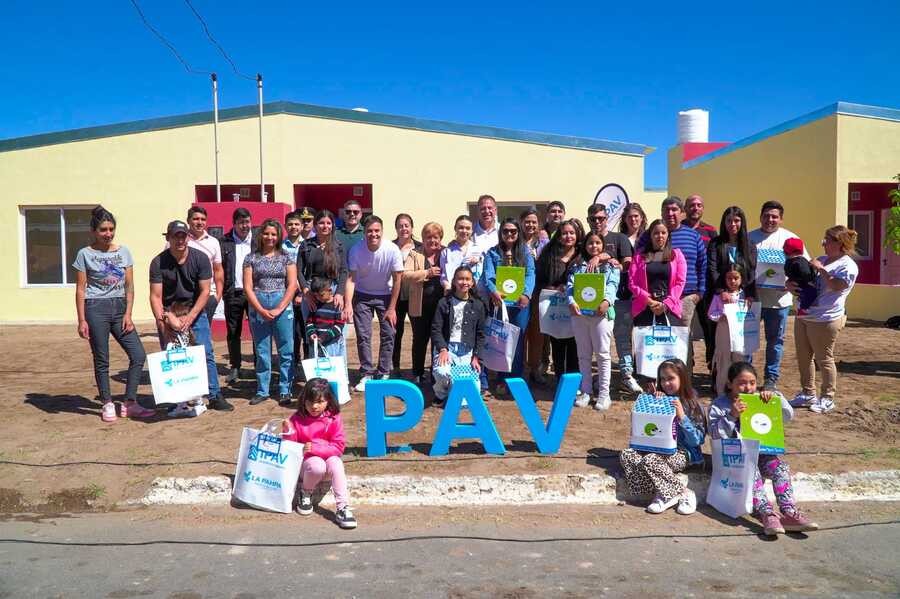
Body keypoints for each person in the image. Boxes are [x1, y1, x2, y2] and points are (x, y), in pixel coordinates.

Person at [708, 362, 819, 536]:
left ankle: (789, 512)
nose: (748, 387)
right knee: (752, 471)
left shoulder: (760, 399)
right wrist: (732, 415)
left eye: (752, 383)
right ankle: (766, 513)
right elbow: (714, 434)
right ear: (730, 384)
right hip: (734, 458)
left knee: (780, 468)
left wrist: (775, 399)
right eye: (742, 383)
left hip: (762, 454)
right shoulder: (719, 405)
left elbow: (787, 416)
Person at [74, 206, 151, 422]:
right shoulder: (84, 254)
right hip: (95, 308)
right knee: (102, 358)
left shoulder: (123, 252)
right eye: (103, 230)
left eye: (111, 229)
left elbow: (129, 286)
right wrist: (81, 320)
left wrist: (128, 313)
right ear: (94, 231)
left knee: (138, 354)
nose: (108, 234)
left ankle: (130, 402)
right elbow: (81, 289)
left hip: (119, 309)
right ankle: (107, 402)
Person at [150, 220, 232, 411]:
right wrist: (163, 323)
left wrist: (191, 316)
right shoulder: (158, 262)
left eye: (182, 235)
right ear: (168, 238)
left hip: (195, 310)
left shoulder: (201, 258)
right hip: (169, 312)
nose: (179, 240)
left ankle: (214, 394)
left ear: (188, 237)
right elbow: (155, 296)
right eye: (175, 236)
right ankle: (175, 399)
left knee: (205, 353)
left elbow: (205, 291)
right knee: (171, 355)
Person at [619, 359, 705, 515]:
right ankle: (667, 492)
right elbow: (648, 429)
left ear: (683, 378)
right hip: (656, 450)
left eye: (671, 378)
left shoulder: (691, 403)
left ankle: (683, 493)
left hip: (683, 453)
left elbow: (698, 440)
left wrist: (682, 417)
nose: (666, 383)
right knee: (627, 455)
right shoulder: (660, 398)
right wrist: (652, 401)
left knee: (650, 460)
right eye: (663, 379)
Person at [790, 226, 859, 414]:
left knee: (824, 359)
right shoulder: (821, 259)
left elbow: (837, 286)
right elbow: (807, 283)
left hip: (826, 318)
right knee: (804, 357)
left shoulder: (848, 265)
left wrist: (821, 271)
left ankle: (827, 397)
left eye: (827, 240)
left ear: (840, 243)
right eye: (824, 239)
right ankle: (807, 393)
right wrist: (792, 285)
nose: (824, 243)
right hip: (805, 314)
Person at [637, 197, 707, 376]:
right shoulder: (649, 235)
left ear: (681, 212)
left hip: (686, 296)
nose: (670, 213)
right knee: (660, 339)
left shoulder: (693, 236)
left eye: (674, 209)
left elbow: (703, 264)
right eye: (666, 210)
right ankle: (660, 377)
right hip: (656, 298)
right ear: (661, 213)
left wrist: (700, 292)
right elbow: (639, 262)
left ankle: (684, 378)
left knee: (682, 338)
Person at [748, 200, 809, 390]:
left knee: (775, 341)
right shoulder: (749, 238)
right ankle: (746, 378)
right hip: (753, 301)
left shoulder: (790, 239)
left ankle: (770, 379)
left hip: (779, 302)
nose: (770, 219)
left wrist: (793, 284)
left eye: (774, 216)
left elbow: (804, 269)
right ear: (760, 217)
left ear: (781, 219)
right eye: (766, 215)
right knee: (747, 341)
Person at [281, 378, 356, 529]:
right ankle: (306, 493)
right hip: (307, 467)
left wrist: (315, 448)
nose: (314, 406)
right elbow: (290, 447)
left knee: (336, 462)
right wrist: (288, 432)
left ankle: (343, 507)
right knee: (317, 465)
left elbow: (339, 446)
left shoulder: (334, 418)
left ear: (328, 400)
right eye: (310, 402)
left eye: (320, 401)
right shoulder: (297, 419)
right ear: (303, 401)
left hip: (328, 463)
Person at [343, 215, 404, 391]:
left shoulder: (392, 250)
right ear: (364, 232)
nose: (373, 234)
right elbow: (352, 279)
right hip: (362, 296)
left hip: (386, 296)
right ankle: (366, 373)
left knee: (388, 334)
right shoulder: (356, 250)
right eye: (370, 231)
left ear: (382, 232)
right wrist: (348, 304)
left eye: (377, 231)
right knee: (363, 335)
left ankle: (384, 372)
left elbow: (398, 279)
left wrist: (392, 308)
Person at [243, 219, 299, 406]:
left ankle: (285, 389)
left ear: (278, 236)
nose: (269, 237)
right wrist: (260, 309)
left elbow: (291, 285)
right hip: (258, 302)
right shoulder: (251, 258)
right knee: (262, 350)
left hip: (281, 302)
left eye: (273, 234)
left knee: (286, 349)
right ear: (261, 235)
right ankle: (262, 390)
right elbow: (248, 287)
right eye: (266, 233)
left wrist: (279, 308)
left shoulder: (287, 258)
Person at [587, 203, 641, 395]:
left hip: (620, 298)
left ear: (607, 218)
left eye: (601, 218)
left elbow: (627, 264)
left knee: (622, 339)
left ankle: (626, 376)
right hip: (593, 302)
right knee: (598, 344)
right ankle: (601, 379)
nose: (597, 222)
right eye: (593, 219)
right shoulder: (587, 240)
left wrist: (607, 258)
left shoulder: (620, 238)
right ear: (588, 220)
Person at [566, 231, 620, 410]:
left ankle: (604, 394)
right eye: (590, 243)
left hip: (601, 316)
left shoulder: (610, 265)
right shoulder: (577, 265)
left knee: (603, 355)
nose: (594, 246)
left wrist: (606, 301)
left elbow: (613, 284)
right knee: (583, 355)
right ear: (585, 245)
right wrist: (571, 302)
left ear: (602, 246)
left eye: (597, 243)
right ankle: (586, 391)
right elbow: (571, 287)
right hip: (580, 315)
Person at [483, 218, 535, 395]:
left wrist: (526, 294)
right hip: (501, 304)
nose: (510, 234)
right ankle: (501, 379)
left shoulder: (526, 253)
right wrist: (493, 291)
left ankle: (515, 379)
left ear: (518, 232)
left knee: (518, 342)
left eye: (513, 231)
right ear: (501, 233)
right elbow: (488, 275)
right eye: (506, 231)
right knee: (502, 341)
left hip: (520, 305)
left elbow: (530, 274)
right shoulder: (492, 253)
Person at [706, 206, 758, 379]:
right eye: (729, 220)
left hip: (742, 298)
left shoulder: (749, 245)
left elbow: (751, 272)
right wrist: (721, 290)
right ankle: (719, 379)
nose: (732, 224)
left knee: (742, 342)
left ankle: (741, 379)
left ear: (742, 222)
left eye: (736, 220)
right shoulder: (716, 244)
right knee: (721, 343)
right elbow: (712, 269)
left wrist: (750, 294)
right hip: (721, 299)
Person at [430, 266, 486, 407]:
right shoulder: (444, 303)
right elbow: (436, 329)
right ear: (454, 281)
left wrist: (476, 357)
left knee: (466, 401)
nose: (464, 282)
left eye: (467, 279)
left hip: (467, 351)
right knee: (442, 372)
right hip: (447, 348)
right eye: (460, 279)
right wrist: (442, 349)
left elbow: (481, 334)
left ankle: (453, 390)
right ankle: (440, 394)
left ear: (472, 282)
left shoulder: (478, 305)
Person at [535, 219, 582, 382]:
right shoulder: (549, 254)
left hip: (577, 309)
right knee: (558, 346)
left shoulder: (583, 254)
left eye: (571, 233)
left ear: (577, 235)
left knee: (575, 346)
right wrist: (552, 287)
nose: (568, 236)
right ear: (559, 236)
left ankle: (573, 383)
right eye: (564, 233)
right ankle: (560, 382)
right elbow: (539, 279)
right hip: (555, 309)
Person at [298, 210, 348, 358]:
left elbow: (344, 271)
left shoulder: (338, 246)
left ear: (333, 225)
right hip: (311, 290)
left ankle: (338, 375)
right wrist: (306, 292)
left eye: (328, 223)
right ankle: (315, 376)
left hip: (332, 291)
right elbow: (299, 270)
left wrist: (339, 293)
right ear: (315, 224)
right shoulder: (306, 245)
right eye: (321, 223)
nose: (325, 226)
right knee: (312, 331)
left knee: (335, 334)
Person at [403, 222, 445, 385]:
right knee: (420, 339)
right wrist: (427, 273)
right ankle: (418, 373)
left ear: (440, 238)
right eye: (428, 237)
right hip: (419, 304)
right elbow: (406, 275)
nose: (432, 240)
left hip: (441, 306)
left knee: (439, 340)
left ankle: (437, 373)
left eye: (436, 237)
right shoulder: (414, 254)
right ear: (423, 238)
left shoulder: (446, 252)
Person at [629, 219, 688, 328]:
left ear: (668, 235)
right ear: (650, 235)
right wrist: (649, 301)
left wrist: (666, 304)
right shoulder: (639, 256)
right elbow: (632, 283)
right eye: (656, 233)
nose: (660, 236)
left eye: (663, 233)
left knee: (669, 344)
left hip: (669, 308)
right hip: (644, 307)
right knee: (645, 344)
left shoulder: (677, 255)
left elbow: (680, 282)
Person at [220, 208, 254, 385]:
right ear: (234, 223)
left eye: (247, 221)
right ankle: (235, 366)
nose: (245, 226)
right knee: (233, 332)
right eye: (241, 222)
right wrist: (224, 291)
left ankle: (259, 366)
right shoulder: (224, 242)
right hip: (233, 293)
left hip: (254, 294)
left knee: (258, 331)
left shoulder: (257, 241)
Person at [707, 265, 753, 395]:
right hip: (724, 332)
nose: (732, 281)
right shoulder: (719, 296)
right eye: (729, 278)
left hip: (740, 335)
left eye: (736, 278)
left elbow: (752, 315)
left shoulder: (746, 296)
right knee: (723, 363)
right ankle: (721, 393)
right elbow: (711, 313)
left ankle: (741, 392)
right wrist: (721, 316)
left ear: (741, 279)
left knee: (740, 361)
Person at [520, 208, 550, 384]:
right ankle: (521, 368)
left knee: (538, 333)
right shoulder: (516, 241)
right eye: (527, 221)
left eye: (533, 222)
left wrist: (536, 259)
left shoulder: (545, 243)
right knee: (521, 330)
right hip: (521, 292)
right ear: (522, 222)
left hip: (539, 292)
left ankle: (535, 369)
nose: (530, 225)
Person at [392, 213, 424, 373]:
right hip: (395, 297)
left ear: (412, 227)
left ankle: (417, 371)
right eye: (400, 226)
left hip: (414, 296)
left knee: (418, 334)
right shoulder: (390, 246)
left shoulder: (420, 247)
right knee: (395, 334)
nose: (403, 229)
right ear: (396, 228)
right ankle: (395, 368)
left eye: (406, 225)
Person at [184, 206, 224, 324]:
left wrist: (218, 295)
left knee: (204, 334)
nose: (200, 222)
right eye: (196, 219)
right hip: (185, 297)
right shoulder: (179, 241)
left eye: (203, 219)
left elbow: (218, 270)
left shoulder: (213, 242)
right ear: (188, 220)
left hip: (208, 296)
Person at [440, 215, 484, 291]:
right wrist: (447, 287)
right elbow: (443, 276)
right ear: (455, 229)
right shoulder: (446, 252)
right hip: (453, 293)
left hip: (474, 294)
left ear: (472, 230)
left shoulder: (478, 250)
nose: (464, 231)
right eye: (461, 228)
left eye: (468, 228)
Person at [783, 238, 818, 314]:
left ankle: (802, 306)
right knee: (813, 293)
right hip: (804, 283)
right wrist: (810, 281)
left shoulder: (788, 261)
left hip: (795, 284)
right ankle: (805, 308)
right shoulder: (800, 261)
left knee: (803, 296)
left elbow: (786, 273)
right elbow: (805, 272)